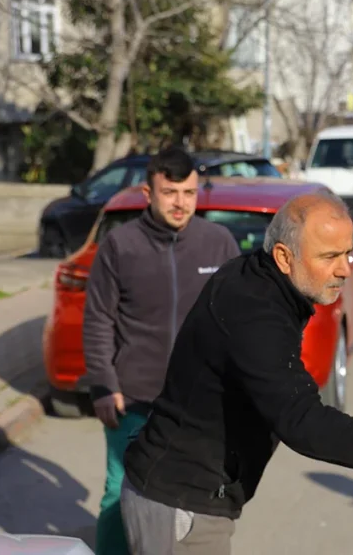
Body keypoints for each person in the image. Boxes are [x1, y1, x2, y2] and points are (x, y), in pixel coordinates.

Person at [119, 188, 353, 554]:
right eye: (328, 256)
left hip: (186, 494)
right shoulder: (255, 311)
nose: (343, 269)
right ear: (283, 257)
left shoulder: (259, 282)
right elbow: (303, 420)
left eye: (347, 253)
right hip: (182, 503)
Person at [82, 148, 241, 555]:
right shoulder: (120, 246)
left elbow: (239, 321)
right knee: (120, 494)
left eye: (188, 192)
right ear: (147, 192)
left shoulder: (218, 243)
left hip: (197, 406)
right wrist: (103, 385)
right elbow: (99, 319)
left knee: (196, 502)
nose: (180, 203)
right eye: (170, 192)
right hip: (133, 399)